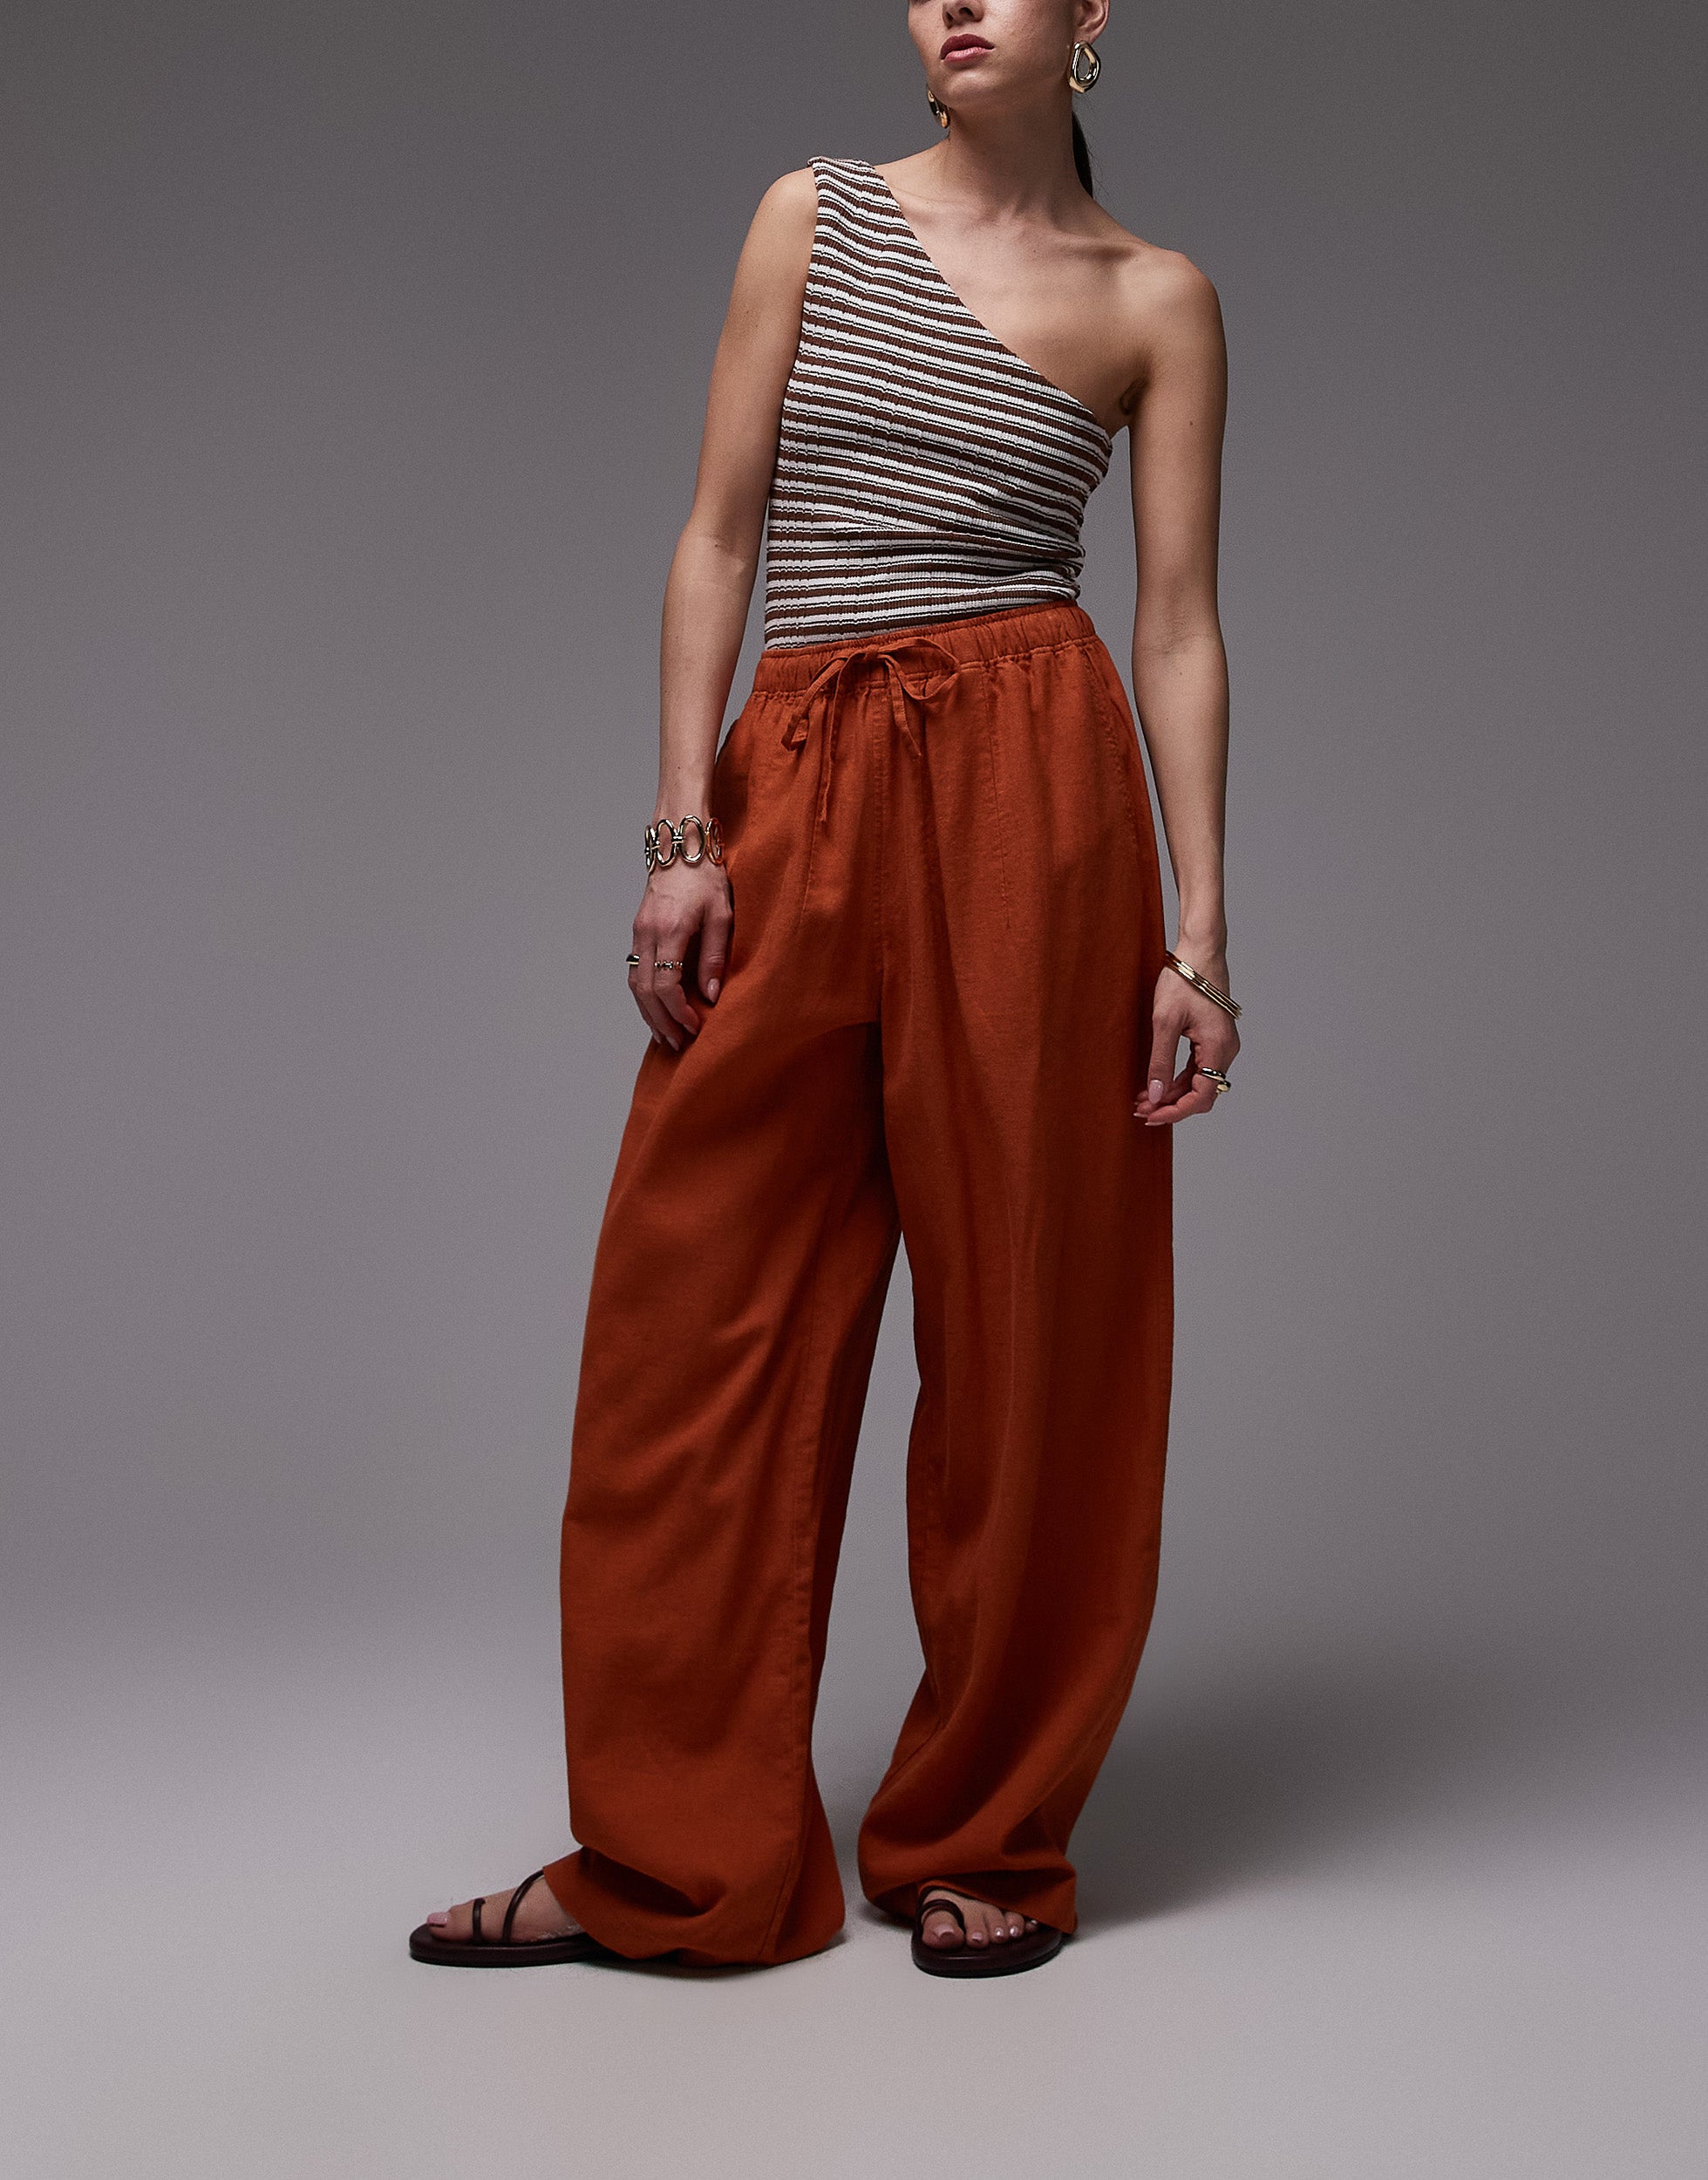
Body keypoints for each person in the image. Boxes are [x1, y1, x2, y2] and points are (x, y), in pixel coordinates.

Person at [410, 0, 1236, 1981]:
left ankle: (982, 1833)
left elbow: (1178, 625)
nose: (954, 2)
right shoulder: (813, 212)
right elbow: (718, 536)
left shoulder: (1156, 298)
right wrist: (679, 829)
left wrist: (1198, 938)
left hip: (1033, 795)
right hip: (799, 771)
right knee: (688, 1319)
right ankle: (668, 1857)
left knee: (1033, 1328)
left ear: (1089, 19)